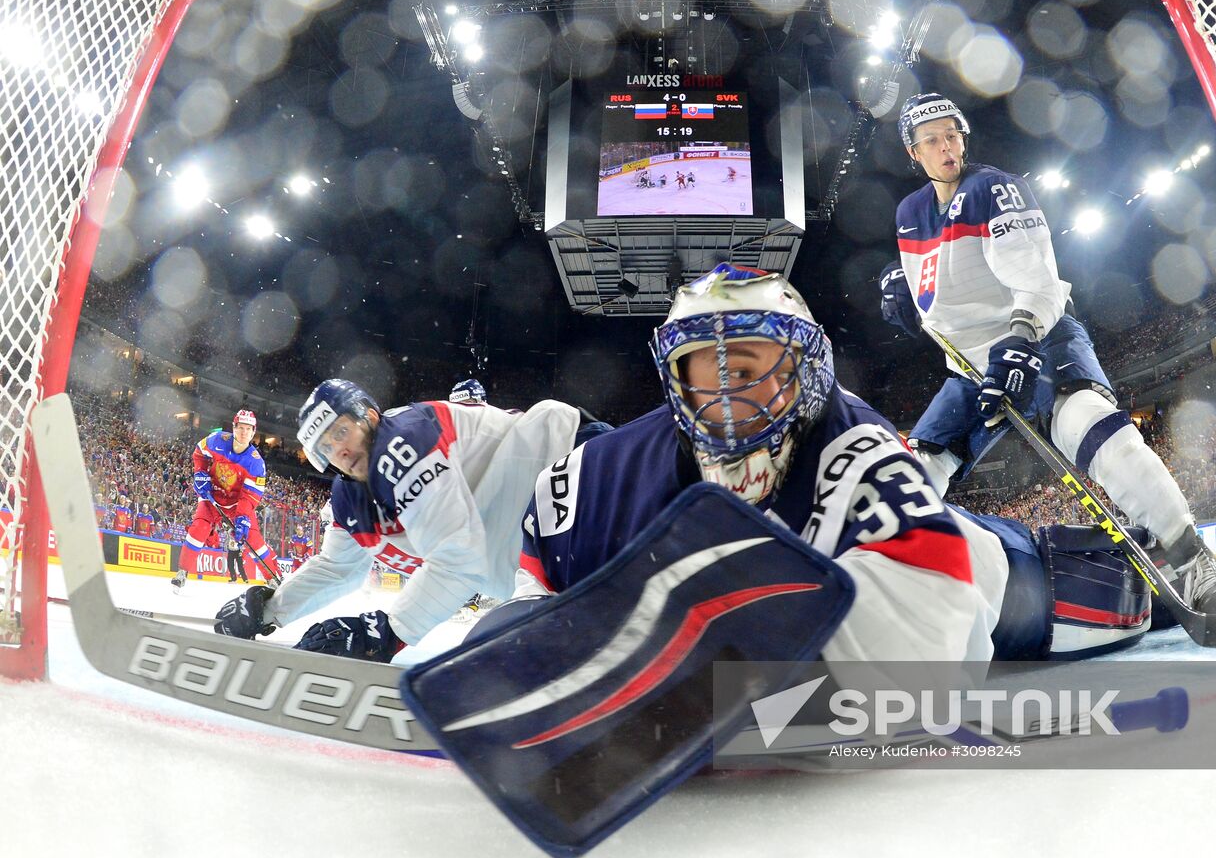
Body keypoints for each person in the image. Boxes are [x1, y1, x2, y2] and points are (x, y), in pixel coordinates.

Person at [505, 264, 1151, 666]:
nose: (728, 399)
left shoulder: (857, 447)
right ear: (674, 381)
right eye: (708, 371)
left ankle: (1143, 560)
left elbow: (928, 659)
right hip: (872, 559)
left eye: (750, 369)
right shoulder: (597, 474)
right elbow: (542, 574)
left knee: (1119, 593)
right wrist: (523, 626)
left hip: (994, 581)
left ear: (807, 372)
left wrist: (728, 682)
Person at [882, 92, 1216, 614]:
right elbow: (939, 301)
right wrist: (908, 306)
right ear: (915, 152)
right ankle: (891, 589)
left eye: (952, 135)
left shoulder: (995, 188)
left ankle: (1192, 558)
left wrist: (1020, 339)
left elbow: (1040, 281)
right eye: (931, 140)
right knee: (909, 475)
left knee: (1097, 431)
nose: (946, 147)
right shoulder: (909, 213)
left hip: (1038, 339)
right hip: (968, 368)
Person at [213, 382, 598, 661]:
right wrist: (267, 609)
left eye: (342, 431)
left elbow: (459, 558)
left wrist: (386, 632)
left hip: (579, 476)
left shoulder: (402, 444)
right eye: (327, 446)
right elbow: (337, 569)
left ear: (370, 416)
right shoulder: (349, 495)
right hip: (549, 545)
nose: (340, 450)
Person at [172, 409, 278, 589]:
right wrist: (200, 474)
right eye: (241, 428)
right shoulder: (218, 440)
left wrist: (243, 517)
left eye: (248, 429)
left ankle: (272, 578)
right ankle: (182, 572)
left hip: (237, 505)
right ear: (234, 428)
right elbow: (199, 453)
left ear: (253, 432)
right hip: (211, 496)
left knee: (253, 539)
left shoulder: (256, 462)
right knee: (200, 527)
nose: (244, 433)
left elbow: (250, 495)